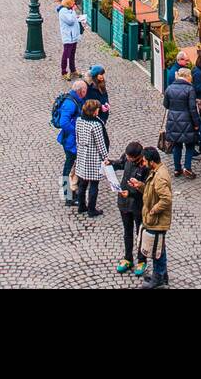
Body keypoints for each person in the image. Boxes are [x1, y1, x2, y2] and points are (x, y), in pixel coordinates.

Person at [109, 141, 150, 276]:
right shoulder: (127, 158)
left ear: (137, 157)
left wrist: (131, 193)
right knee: (127, 231)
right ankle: (128, 258)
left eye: (129, 158)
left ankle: (141, 259)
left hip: (138, 204)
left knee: (140, 232)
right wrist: (111, 163)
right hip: (124, 201)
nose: (127, 159)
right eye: (126, 156)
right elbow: (120, 163)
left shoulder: (145, 167)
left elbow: (146, 189)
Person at [139, 146, 172, 289]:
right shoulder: (156, 171)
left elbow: (166, 199)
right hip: (155, 219)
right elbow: (151, 192)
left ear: (151, 161)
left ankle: (158, 277)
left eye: (145, 161)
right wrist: (140, 186)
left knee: (156, 249)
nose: (143, 163)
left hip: (157, 220)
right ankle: (162, 275)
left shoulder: (159, 177)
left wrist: (153, 210)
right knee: (159, 247)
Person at [162, 66, 200, 179]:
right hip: (187, 121)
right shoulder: (190, 89)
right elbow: (193, 109)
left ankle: (177, 169)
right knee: (189, 145)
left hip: (173, 120)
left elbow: (166, 105)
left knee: (177, 145)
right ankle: (187, 167)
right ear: (187, 76)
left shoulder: (169, 88)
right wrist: (197, 123)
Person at [74, 98, 109, 216]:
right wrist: (105, 157)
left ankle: (81, 206)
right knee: (94, 184)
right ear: (94, 111)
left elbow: (77, 137)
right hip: (93, 157)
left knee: (83, 183)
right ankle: (91, 209)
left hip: (82, 154)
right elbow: (100, 143)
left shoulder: (79, 120)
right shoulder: (96, 125)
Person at [56, 79, 88, 204]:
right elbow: (64, 122)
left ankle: (70, 193)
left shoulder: (74, 100)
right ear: (82, 91)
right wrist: (77, 131)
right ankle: (68, 196)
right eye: (85, 90)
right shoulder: (71, 103)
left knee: (70, 166)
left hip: (70, 140)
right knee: (69, 167)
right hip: (70, 141)